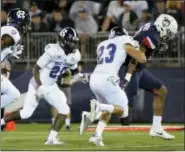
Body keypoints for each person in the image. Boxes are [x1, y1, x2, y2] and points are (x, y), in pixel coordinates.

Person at [1, 27, 81, 145]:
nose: (74, 44)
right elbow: (36, 69)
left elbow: (72, 71)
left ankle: (51, 139)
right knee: (26, 113)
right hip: (38, 83)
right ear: (64, 41)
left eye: (75, 41)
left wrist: (78, 76)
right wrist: (40, 86)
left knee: (64, 109)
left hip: (51, 85)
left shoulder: (75, 55)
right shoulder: (53, 50)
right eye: (72, 41)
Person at [80, 27, 147, 146]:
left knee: (108, 109)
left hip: (94, 78)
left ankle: (97, 136)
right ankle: (97, 108)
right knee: (123, 110)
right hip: (107, 79)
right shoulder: (124, 40)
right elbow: (142, 58)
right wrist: (138, 49)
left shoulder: (102, 44)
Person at [120, 14, 178, 140]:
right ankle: (94, 112)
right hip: (131, 68)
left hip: (139, 69)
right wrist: (128, 77)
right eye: (169, 32)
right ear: (163, 28)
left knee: (161, 91)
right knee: (124, 106)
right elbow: (137, 57)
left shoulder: (151, 29)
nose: (168, 36)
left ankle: (156, 128)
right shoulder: (152, 37)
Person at [1, 8, 31, 109]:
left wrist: (5, 60)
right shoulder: (12, 32)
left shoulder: (7, 29)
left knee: (13, 94)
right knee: (13, 94)